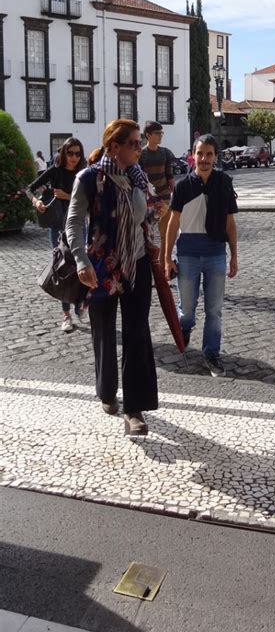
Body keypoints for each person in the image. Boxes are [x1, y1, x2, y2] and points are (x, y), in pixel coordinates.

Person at [65, 119, 158, 436]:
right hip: (102, 268)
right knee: (103, 332)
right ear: (114, 147)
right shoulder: (89, 178)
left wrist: (153, 240)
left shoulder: (137, 177)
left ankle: (135, 410)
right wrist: (80, 259)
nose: (140, 148)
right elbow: (73, 222)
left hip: (137, 264)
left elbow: (149, 215)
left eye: (140, 142)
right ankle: (106, 391)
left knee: (137, 333)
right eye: (134, 143)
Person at [164, 134, 238, 377]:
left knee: (214, 311)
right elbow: (173, 224)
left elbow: (230, 222)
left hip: (216, 252)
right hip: (187, 254)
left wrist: (234, 256)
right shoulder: (183, 186)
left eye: (209, 154)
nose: (204, 159)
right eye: (200, 154)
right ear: (192, 156)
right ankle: (185, 328)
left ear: (215, 156)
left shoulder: (224, 182)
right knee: (186, 310)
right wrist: (167, 257)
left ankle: (211, 353)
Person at [28, 137, 87, 332]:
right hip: (58, 225)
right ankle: (66, 315)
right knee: (62, 267)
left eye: (78, 154)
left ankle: (80, 305)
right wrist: (36, 202)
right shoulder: (55, 171)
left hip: (78, 224)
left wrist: (67, 196)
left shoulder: (83, 172)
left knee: (81, 264)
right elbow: (29, 189)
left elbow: (90, 199)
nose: (74, 158)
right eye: (70, 153)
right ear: (63, 153)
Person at [139, 121, 175, 258]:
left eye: (162, 133)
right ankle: (149, 261)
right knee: (147, 232)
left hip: (165, 198)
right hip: (148, 201)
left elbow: (169, 175)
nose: (160, 136)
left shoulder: (165, 153)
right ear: (148, 135)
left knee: (166, 233)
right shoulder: (141, 155)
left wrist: (175, 194)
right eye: (157, 133)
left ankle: (164, 261)